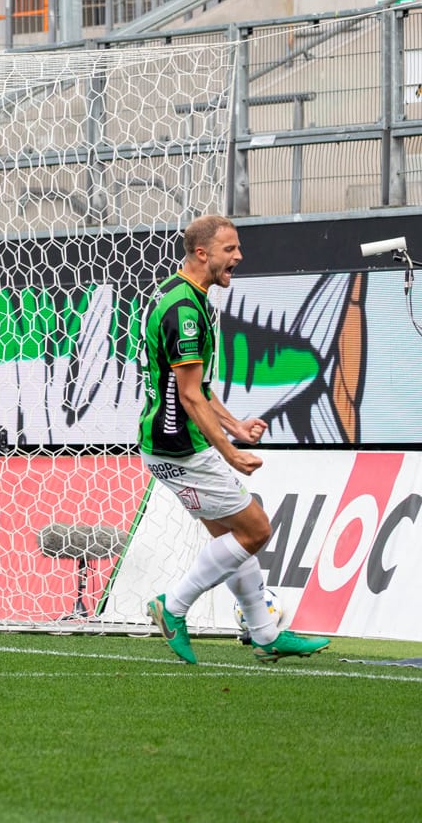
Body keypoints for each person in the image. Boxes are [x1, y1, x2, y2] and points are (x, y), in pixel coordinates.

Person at [142, 215, 330, 664]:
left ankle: (264, 634)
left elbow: (198, 387)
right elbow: (189, 396)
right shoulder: (184, 310)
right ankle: (174, 606)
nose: (239, 256)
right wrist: (231, 452)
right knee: (257, 528)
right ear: (202, 253)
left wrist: (234, 426)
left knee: (231, 537)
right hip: (181, 448)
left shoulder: (186, 296)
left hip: (166, 446)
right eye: (230, 249)